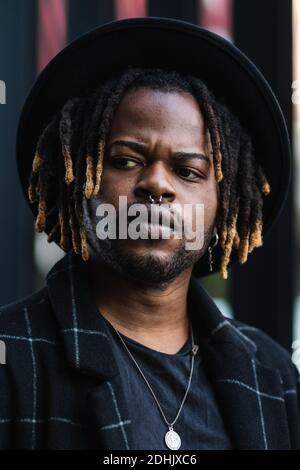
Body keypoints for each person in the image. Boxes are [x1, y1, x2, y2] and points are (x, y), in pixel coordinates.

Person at [0, 17, 299, 450]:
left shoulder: (272, 374)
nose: (157, 184)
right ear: (78, 183)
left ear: (224, 208)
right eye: (125, 161)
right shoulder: (13, 358)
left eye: (188, 171)